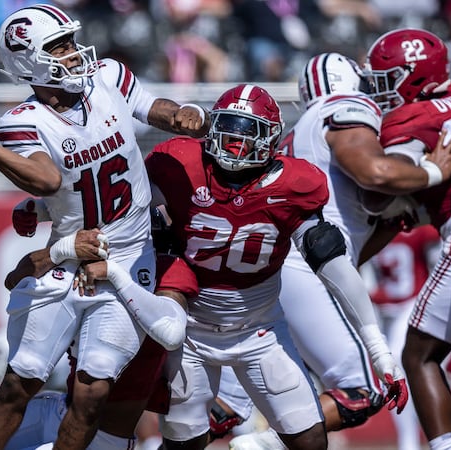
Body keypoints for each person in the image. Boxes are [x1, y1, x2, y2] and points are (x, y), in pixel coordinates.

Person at [0, 4, 207, 449]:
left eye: (71, 41)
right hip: (68, 260)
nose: (73, 52)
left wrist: (181, 113)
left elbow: (152, 107)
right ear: (28, 59)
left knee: (93, 393)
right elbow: (47, 178)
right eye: (59, 45)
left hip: (129, 257)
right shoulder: (21, 120)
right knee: (18, 385)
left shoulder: (107, 75)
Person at [144, 83, 407, 450]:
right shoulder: (181, 162)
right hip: (189, 330)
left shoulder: (295, 183)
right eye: (230, 128)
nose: (236, 142)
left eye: (248, 131)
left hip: (259, 330)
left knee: (311, 440)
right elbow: (126, 212)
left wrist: (377, 348)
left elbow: (334, 266)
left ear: (271, 139)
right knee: (183, 444)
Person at [227, 52, 451, 450]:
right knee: (361, 392)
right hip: (304, 266)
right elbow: (375, 174)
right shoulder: (346, 108)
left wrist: (395, 218)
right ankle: (259, 446)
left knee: (234, 403)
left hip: (277, 270)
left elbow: (353, 243)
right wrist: (432, 172)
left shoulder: (299, 131)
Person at [0, 224, 198, 450]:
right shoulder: (96, 252)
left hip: (104, 436)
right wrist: (60, 250)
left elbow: (170, 332)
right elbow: (14, 279)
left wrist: (115, 274)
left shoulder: (167, 271)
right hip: (60, 407)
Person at [362, 27, 451, 450]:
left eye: (387, 80)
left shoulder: (406, 118)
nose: (381, 92)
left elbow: (377, 190)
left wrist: (411, 190)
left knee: (417, 355)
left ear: (414, 76)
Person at [363, 225, 440, 450]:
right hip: (381, 308)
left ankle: (418, 441)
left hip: (411, 303)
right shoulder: (370, 227)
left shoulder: (419, 229)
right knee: (390, 375)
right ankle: (408, 440)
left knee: (397, 363)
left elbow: (439, 266)